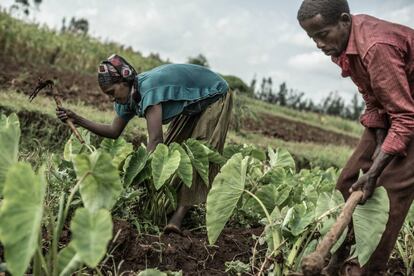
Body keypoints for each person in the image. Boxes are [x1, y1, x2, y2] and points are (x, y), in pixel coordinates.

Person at [297, 0, 414, 275]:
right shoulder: (342, 47)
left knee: (388, 191)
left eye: (322, 35)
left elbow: (406, 118)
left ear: (344, 21)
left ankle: (366, 270)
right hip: (398, 112)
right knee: (348, 181)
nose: (318, 44)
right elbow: (374, 101)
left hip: (409, 116)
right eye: (312, 38)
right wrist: (378, 147)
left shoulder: (375, 47)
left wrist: (376, 171)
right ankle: (335, 257)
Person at [56, 54, 233, 233]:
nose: (111, 99)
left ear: (125, 82)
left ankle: (177, 218)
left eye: (112, 92)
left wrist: (137, 179)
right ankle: (164, 208)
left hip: (214, 93)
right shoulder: (126, 98)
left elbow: (156, 139)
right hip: (192, 105)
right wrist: (77, 119)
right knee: (173, 152)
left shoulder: (147, 90)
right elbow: (113, 131)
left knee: (198, 154)